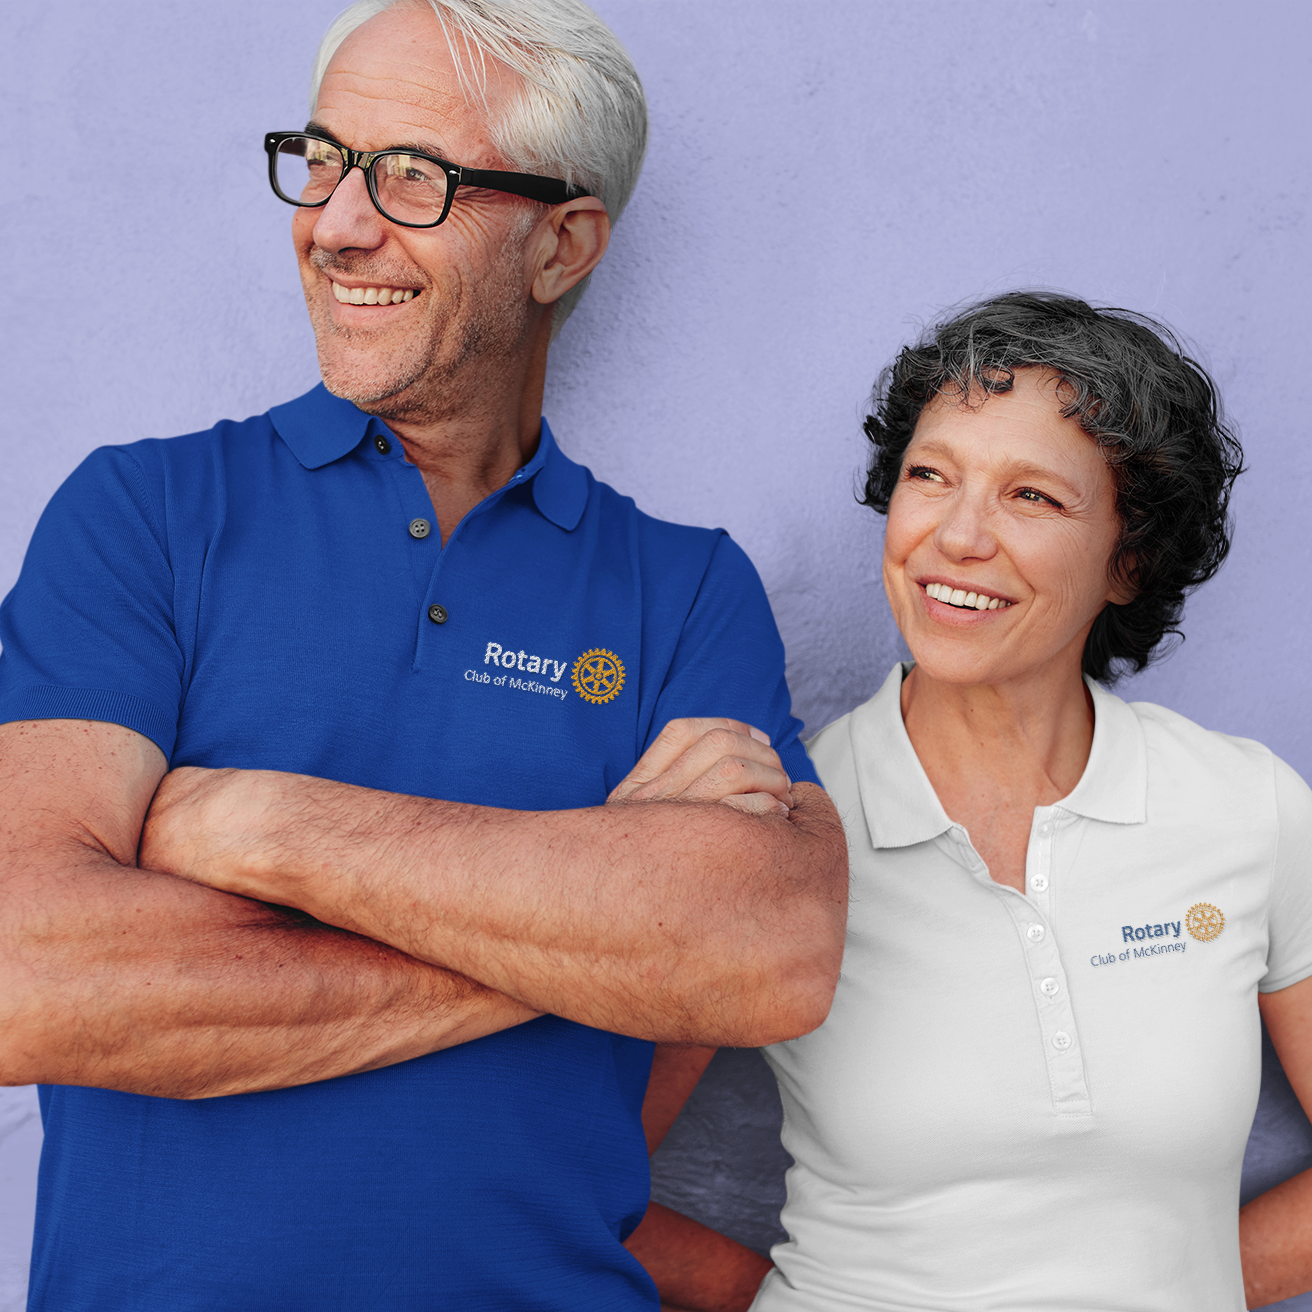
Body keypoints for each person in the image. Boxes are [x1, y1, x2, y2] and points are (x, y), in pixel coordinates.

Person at [0, 1, 846, 1307]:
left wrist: (262, 824)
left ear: (560, 245)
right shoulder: (147, 515)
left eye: (411, 176)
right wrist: (589, 935)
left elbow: (765, 949)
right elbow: (28, 976)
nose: (335, 224)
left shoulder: (681, 588)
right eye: (323, 161)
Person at [630, 292, 1312, 1311]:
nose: (955, 535)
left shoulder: (1246, 807)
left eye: (1030, 496)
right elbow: (574, 1182)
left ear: (1128, 559)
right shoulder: (782, 823)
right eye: (929, 476)